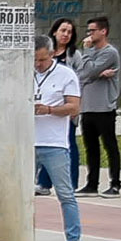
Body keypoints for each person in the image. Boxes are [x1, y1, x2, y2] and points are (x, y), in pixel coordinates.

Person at [33, 37, 85, 241]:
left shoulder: (66, 75)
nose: (38, 64)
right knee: (17, 193)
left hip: (54, 143)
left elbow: (74, 107)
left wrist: (50, 110)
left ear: (52, 54)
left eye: (42, 60)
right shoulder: (25, 73)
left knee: (65, 194)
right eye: (35, 60)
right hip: (27, 142)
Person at [73, 16, 121, 195]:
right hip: (88, 106)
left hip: (104, 107)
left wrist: (92, 68)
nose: (89, 34)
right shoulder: (89, 53)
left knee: (110, 145)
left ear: (103, 31)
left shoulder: (110, 52)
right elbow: (81, 75)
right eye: (88, 31)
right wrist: (96, 73)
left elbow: (89, 70)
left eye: (93, 30)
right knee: (91, 147)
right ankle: (92, 183)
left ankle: (115, 183)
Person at [39, 19, 78, 191]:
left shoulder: (74, 55)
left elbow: (81, 77)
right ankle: (44, 182)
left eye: (69, 32)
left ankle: (71, 183)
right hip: (40, 116)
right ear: (54, 32)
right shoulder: (42, 52)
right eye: (63, 30)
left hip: (63, 106)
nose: (66, 35)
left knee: (67, 146)